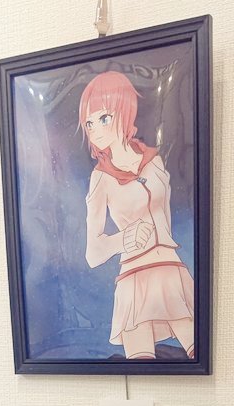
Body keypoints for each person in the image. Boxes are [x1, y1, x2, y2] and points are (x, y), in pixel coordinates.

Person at [80, 70, 194, 361]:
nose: (95, 130)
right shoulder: (101, 178)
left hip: (171, 271)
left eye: (104, 118)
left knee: (201, 355)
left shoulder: (154, 160)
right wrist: (124, 239)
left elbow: (164, 218)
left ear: (124, 110)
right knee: (142, 369)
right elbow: (93, 253)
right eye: (89, 123)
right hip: (134, 280)